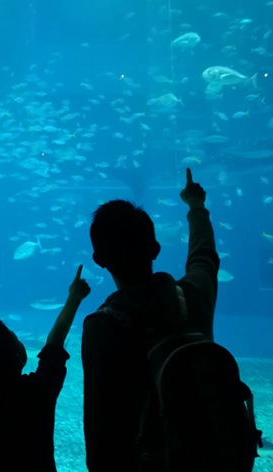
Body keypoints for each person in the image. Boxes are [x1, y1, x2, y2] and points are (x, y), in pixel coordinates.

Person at [81, 168, 220, 471]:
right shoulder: (193, 296)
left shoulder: (102, 325)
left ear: (99, 259)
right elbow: (204, 257)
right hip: (210, 454)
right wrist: (196, 206)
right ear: (155, 249)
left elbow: (101, 427)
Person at [0, 265, 91, 471]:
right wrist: (74, 298)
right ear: (19, 355)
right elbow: (54, 344)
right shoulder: (39, 392)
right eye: (15, 338)